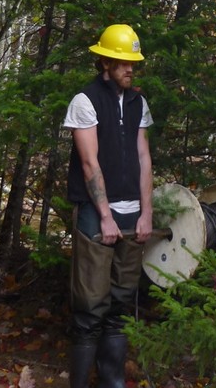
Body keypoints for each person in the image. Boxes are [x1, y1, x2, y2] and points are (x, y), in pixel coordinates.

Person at [64, 24, 153, 388]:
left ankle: (112, 382)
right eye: (122, 63)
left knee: (121, 303)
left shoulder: (138, 102)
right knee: (91, 304)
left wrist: (146, 213)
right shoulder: (85, 100)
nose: (130, 69)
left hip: (134, 215)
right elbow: (89, 164)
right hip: (96, 214)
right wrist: (106, 217)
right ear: (105, 62)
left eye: (133, 63)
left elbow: (144, 157)